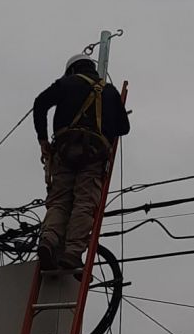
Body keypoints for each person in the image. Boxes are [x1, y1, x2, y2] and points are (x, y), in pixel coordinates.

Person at [33, 54, 130, 271]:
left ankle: (48, 241)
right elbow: (124, 128)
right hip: (95, 153)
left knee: (59, 201)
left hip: (64, 149)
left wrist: (42, 139)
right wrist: (108, 119)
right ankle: (72, 253)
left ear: (72, 70)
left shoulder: (67, 83)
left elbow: (40, 103)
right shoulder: (110, 91)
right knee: (84, 202)